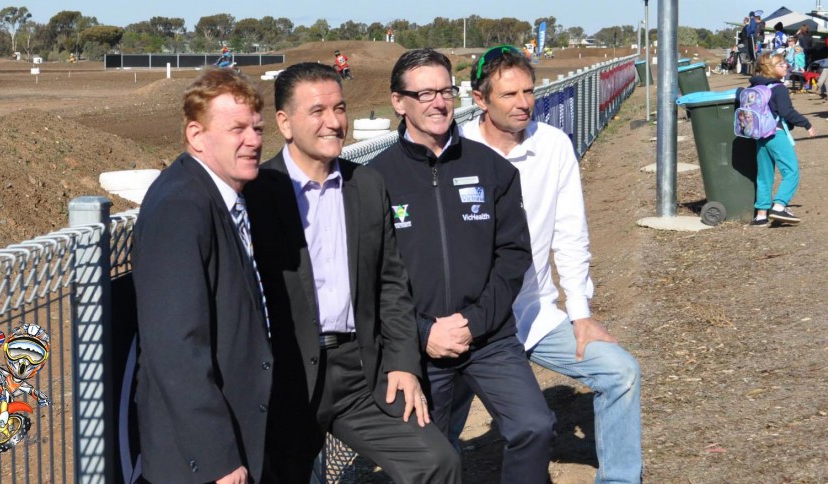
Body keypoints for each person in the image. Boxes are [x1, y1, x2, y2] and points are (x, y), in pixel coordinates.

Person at [245, 62, 460, 484]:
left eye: (340, 108)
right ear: (285, 124)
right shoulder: (257, 193)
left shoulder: (367, 185)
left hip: (361, 371)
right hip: (287, 378)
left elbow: (391, 284)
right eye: (318, 111)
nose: (334, 122)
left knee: (437, 461)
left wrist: (403, 363)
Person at [454, 44, 643, 483]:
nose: (523, 103)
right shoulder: (456, 150)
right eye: (509, 94)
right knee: (440, 425)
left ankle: (619, 478)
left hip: (534, 314)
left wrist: (580, 314)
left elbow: (570, 233)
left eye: (529, 91)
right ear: (479, 99)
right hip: (467, 325)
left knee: (621, 373)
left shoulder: (554, 144)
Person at [369, 48, 554, 484]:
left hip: (487, 338)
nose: (439, 102)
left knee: (534, 425)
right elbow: (369, 274)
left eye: (446, 91)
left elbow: (512, 256)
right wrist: (422, 332)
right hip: (416, 345)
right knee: (432, 456)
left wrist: (473, 322)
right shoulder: (374, 179)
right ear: (399, 102)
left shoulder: (492, 168)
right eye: (425, 93)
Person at [131, 69, 272, 483]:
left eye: (257, 128)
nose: (254, 140)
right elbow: (176, 347)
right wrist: (217, 457)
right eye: (237, 129)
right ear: (196, 135)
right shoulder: (182, 208)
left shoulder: (220, 195)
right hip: (204, 460)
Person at [748, 52, 816, 227]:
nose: (786, 66)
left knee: (764, 175)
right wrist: (806, 124)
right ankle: (779, 206)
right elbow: (787, 112)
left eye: (785, 63)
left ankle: (761, 215)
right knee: (791, 171)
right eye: (781, 64)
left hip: (759, 135)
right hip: (776, 133)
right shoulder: (778, 88)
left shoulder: (754, 87)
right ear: (771, 68)